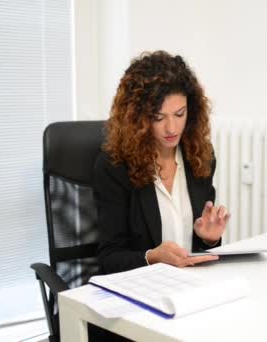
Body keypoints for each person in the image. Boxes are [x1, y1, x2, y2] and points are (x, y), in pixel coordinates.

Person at [93, 50, 231, 275]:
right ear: (137, 119)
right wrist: (151, 257)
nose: (172, 128)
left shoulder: (200, 156)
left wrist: (209, 240)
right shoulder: (113, 167)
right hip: (143, 289)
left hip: (190, 285)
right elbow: (110, 259)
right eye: (158, 117)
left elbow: (199, 251)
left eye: (179, 114)